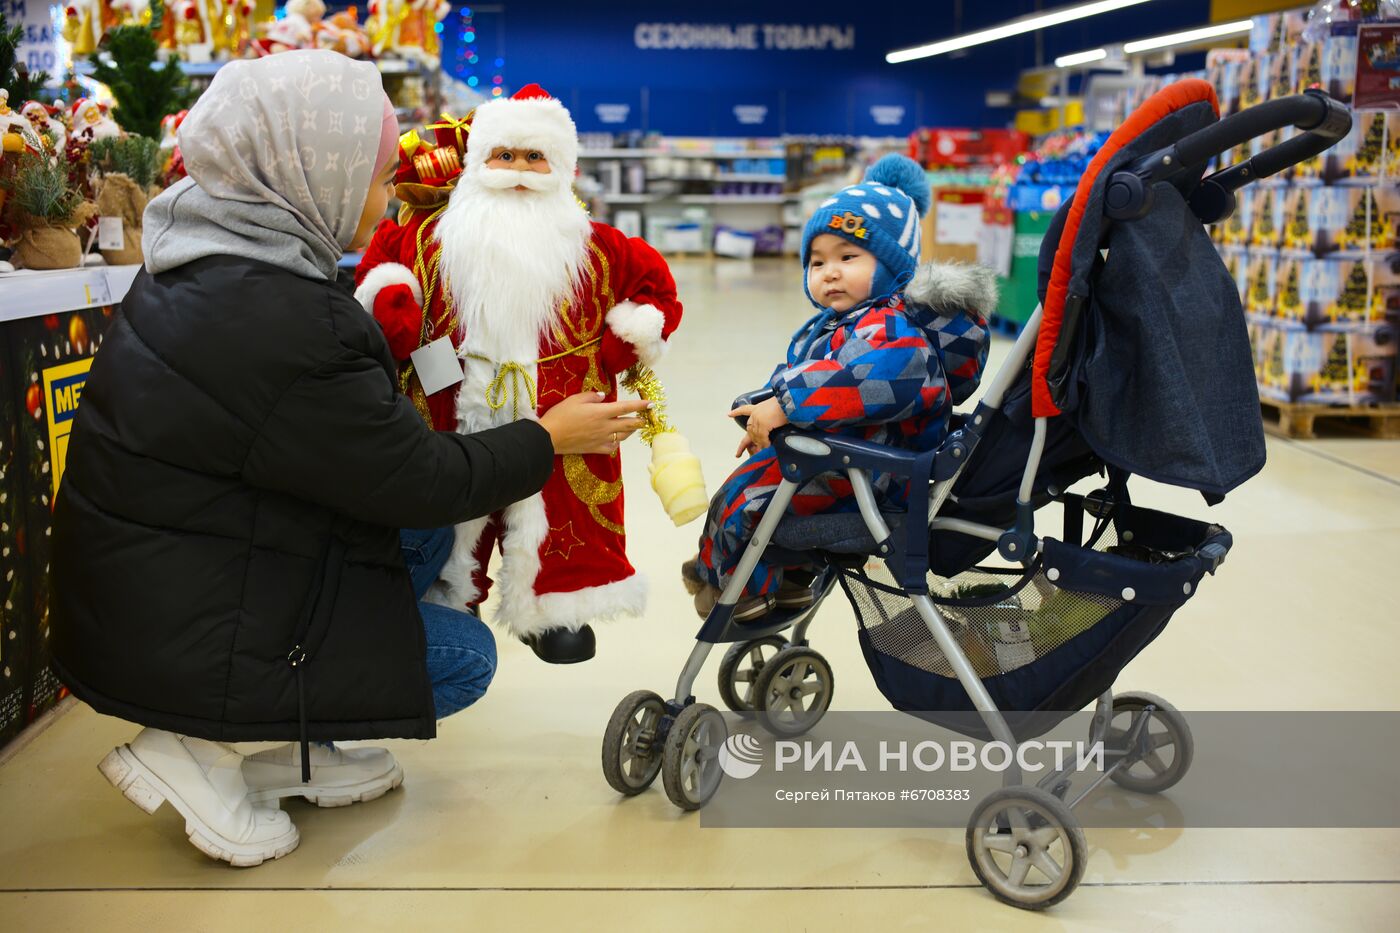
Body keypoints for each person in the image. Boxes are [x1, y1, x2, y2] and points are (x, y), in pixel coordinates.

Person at [48, 51, 648, 867]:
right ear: (310, 172)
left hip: (163, 579)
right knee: (460, 656)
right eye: (374, 175)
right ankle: (192, 744)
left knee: (430, 539)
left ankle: (299, 743)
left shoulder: (207, 257)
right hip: (181, 630)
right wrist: (551, 436)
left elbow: (374, 463)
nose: (390, 194)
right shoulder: (282, 321)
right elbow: (418, 477)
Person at [355, 84, 683, 665]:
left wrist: (632, 331)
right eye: (504, 156)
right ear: (479, 159)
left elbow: (651, 284)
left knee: (560, 508)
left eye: (535, 158)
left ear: (561, 167)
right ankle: (453, 590)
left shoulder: (597, 246)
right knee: (452, 491)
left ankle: (552, 606)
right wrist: (393, 300)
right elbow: (386, 259)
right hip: (448, 397)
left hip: (563, 409)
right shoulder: (432, 235)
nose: (518, 171)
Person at [681, 155, 996, 620]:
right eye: (817, 261)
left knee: (745, 498)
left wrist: (786, 405)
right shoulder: (848, 323)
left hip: (876, 476)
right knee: (748, 486)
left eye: (848, 257)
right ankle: (757, 574)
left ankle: (740, 586)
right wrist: (764, 404)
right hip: (847, 460)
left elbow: (867, 380)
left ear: (892, 267)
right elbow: (815, 370)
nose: (829, 271)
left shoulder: (893, 327)